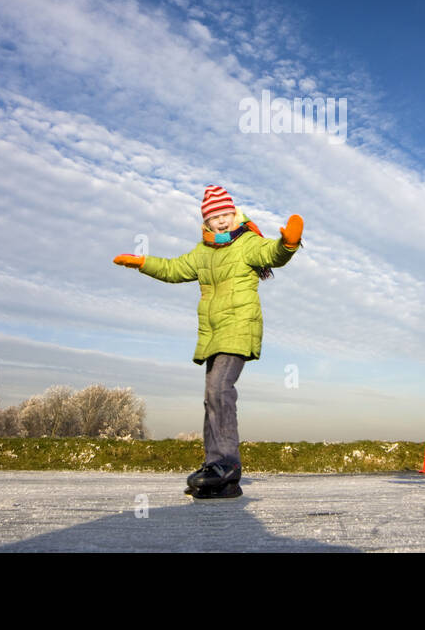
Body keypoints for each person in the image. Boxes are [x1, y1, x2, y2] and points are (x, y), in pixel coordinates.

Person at [113, 185, 302, 498]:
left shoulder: (247, 242)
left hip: (239, 328)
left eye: (227, 214)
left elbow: (272, 254)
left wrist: (289, 243)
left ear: (235, 214)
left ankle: (226, 462)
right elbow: (174, 269)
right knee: (210, 396)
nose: (223, 221)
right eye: (216, 217)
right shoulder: (202, 252)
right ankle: (219, 472)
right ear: (207, 222)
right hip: (213, 334)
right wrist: (143, 263)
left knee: (219, 390)